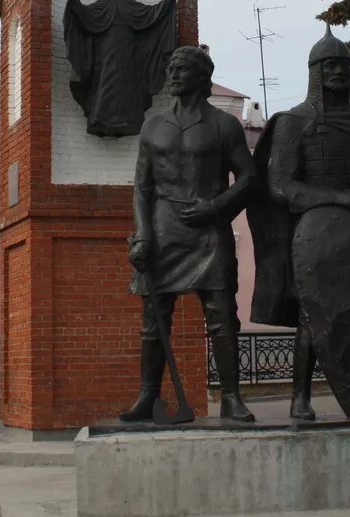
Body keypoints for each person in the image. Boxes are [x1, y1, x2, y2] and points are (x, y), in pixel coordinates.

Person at [249, 28, 350, 419]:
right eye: (330, 65)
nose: (339, 72)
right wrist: (338, 197)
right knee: (310, 318)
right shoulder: (294, 122)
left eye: (344, 65)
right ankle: (300, 398)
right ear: (314, 71)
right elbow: (280, 185)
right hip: (313, 238)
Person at [121, 45, 256, 422]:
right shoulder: (153, 126)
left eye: (181, 69)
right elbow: (141, 188)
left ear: (201, 76)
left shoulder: (223, 125)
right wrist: (144, 234)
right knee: (154, 319)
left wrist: (216, 207)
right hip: (164, 232)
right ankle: (148, 395)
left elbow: (250, 178)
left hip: (210, 232)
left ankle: (231, 397)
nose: (174, 75)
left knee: (222, 317)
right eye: (171, 69)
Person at [63, 0, 179, 136]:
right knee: (105, 81)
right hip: (106, 51)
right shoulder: (102, 5)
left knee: (128, 83)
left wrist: (168, 1)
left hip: (127, 50)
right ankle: (100, 118)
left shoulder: (131, 6)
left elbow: (151, 13)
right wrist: (74, 2)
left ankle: (129, 119)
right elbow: (87, 15)